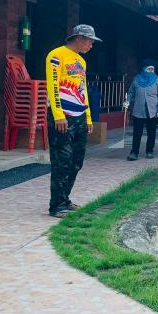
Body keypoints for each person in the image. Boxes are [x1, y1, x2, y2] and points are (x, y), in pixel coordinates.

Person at [45, 24, 101, 217]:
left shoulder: (81, 61)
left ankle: (65, 199)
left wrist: (88, 117)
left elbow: (82, 89)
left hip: (80, 116)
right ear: (78, 38)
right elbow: (52, 86)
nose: (91, 45)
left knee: (76, 161)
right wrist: (58, 115)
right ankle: (56, 205)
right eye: (89, 41)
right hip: (63, 117)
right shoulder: (56, 55)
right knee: (61, 161)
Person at [123, 59, 158, 160]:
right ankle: (134, 153)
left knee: (151, 133)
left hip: (153, 112)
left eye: (152, 70)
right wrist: (128, 101)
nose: (151, 71)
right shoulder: (136, 79)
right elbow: (131, 92)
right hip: (138, 111)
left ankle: (149, 151)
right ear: (143, 69)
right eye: (149, 69)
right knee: (137, 133)